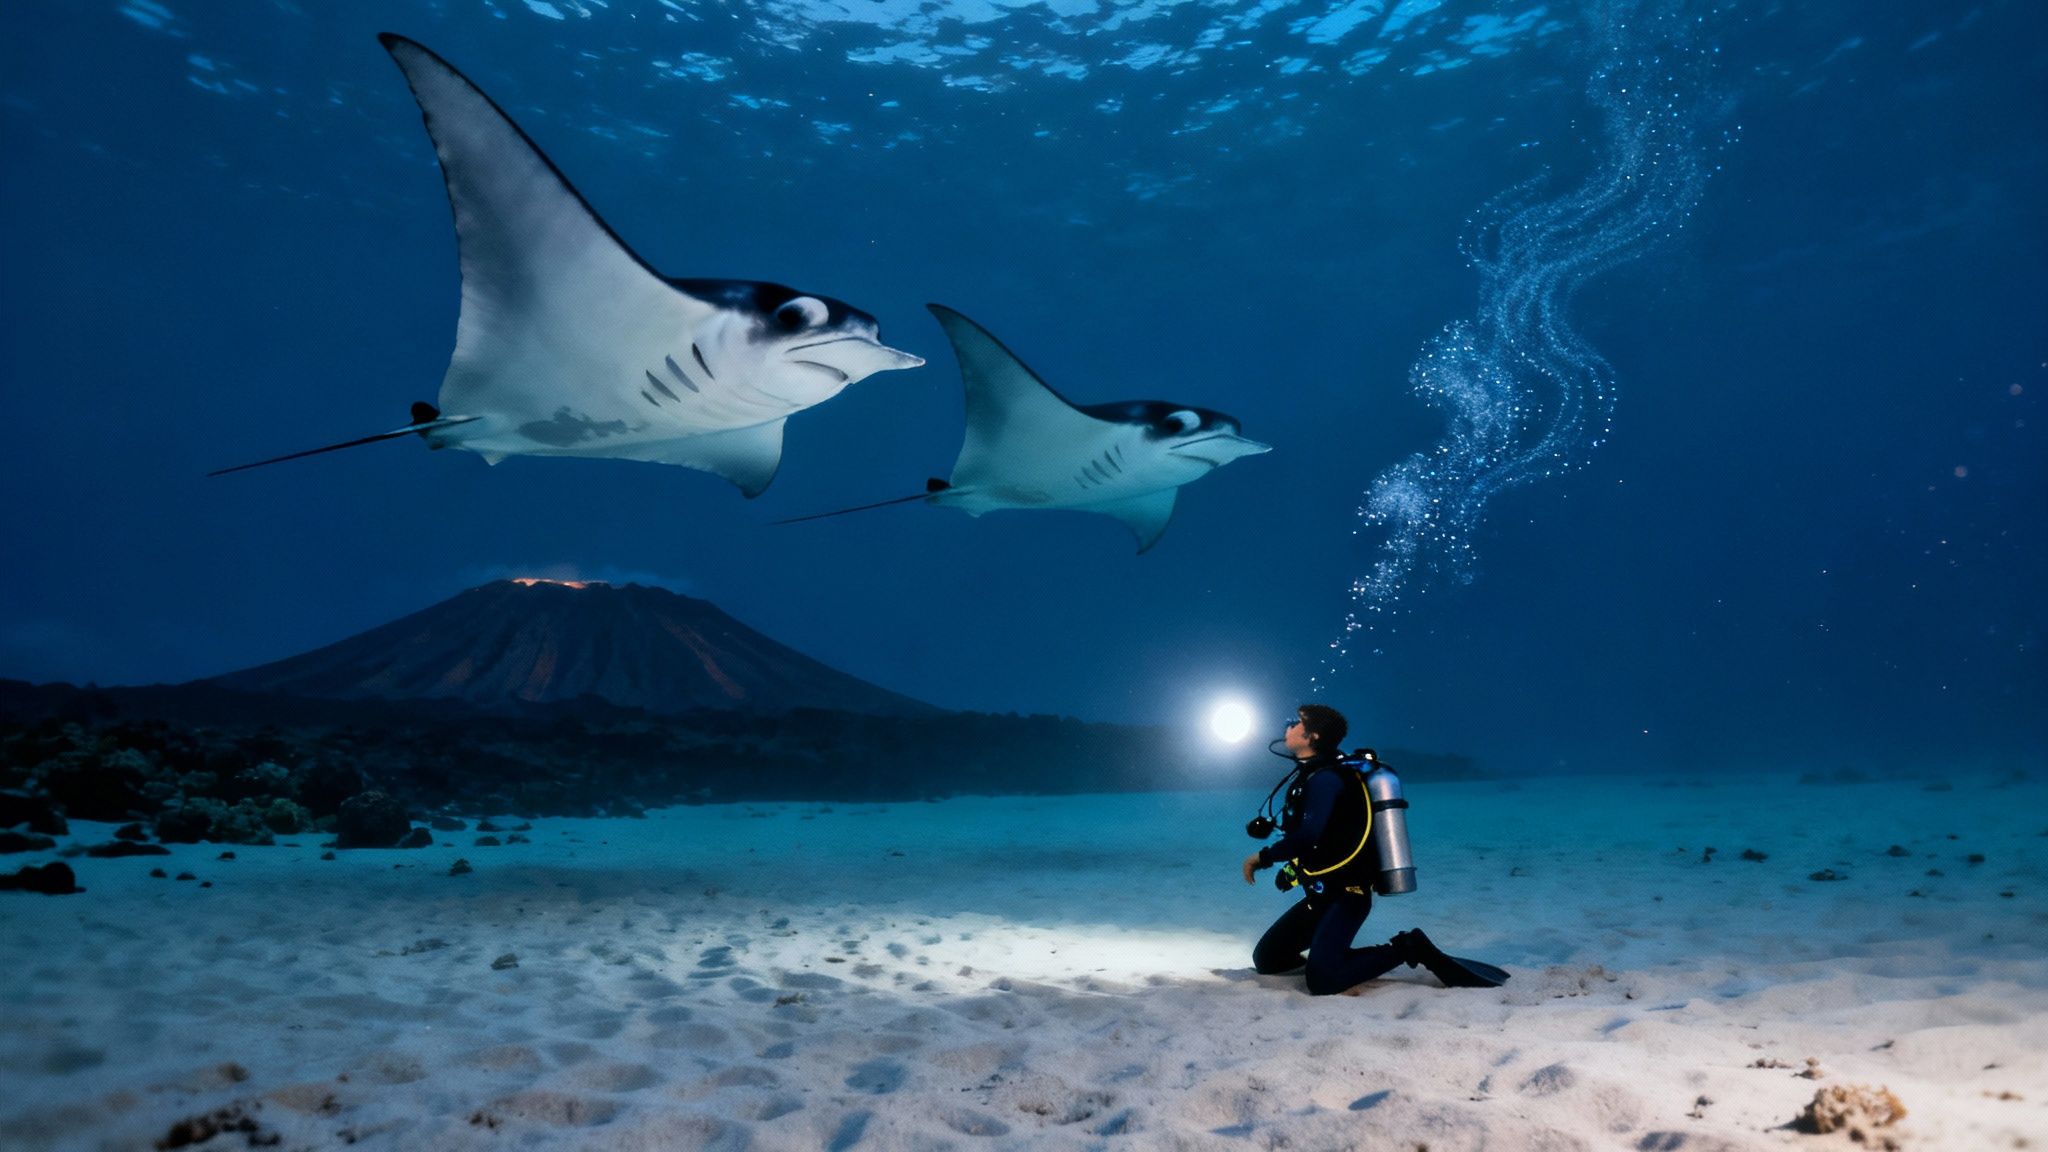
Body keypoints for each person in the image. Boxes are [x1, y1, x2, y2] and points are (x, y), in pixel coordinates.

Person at [1241, 704, 1497, 994]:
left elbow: (1308, 836)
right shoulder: (1309, 776)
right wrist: (1294, 869)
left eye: (1294, 723)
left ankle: (1408, 948)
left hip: (1347, 896)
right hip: (1320, 894)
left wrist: (1262, 858)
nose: (1287, 726)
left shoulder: (1326, 779)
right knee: (1268, 959)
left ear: (1312, 736)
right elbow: (1327, 840)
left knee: (1323, 981)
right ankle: (1331, 955)